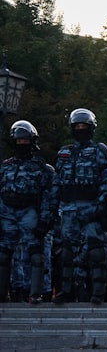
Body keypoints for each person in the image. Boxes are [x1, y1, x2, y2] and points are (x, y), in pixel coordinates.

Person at [52, 108, 107, 304]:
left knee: (96, 251)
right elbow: (56, 182)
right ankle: (67, 290)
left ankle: (98, 292)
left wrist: (101, 204)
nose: (80, 129)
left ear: (91, 128)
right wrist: (54, 208)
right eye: (77, 126)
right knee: (67, 252)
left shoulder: (99, 151)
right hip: (69, 208)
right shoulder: (64, 152)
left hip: (91, 207)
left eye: (84, 126)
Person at [0, 121, 56, 304]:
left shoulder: (43, 169)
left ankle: (35, 294)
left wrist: (45, 221)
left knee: (36, 254)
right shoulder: (5, 166)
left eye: (25, 140)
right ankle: (3, 293)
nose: (21, 144)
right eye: (18, 140)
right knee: (4, 254)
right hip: (7, 213)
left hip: (30, 213)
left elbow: (50, 197)